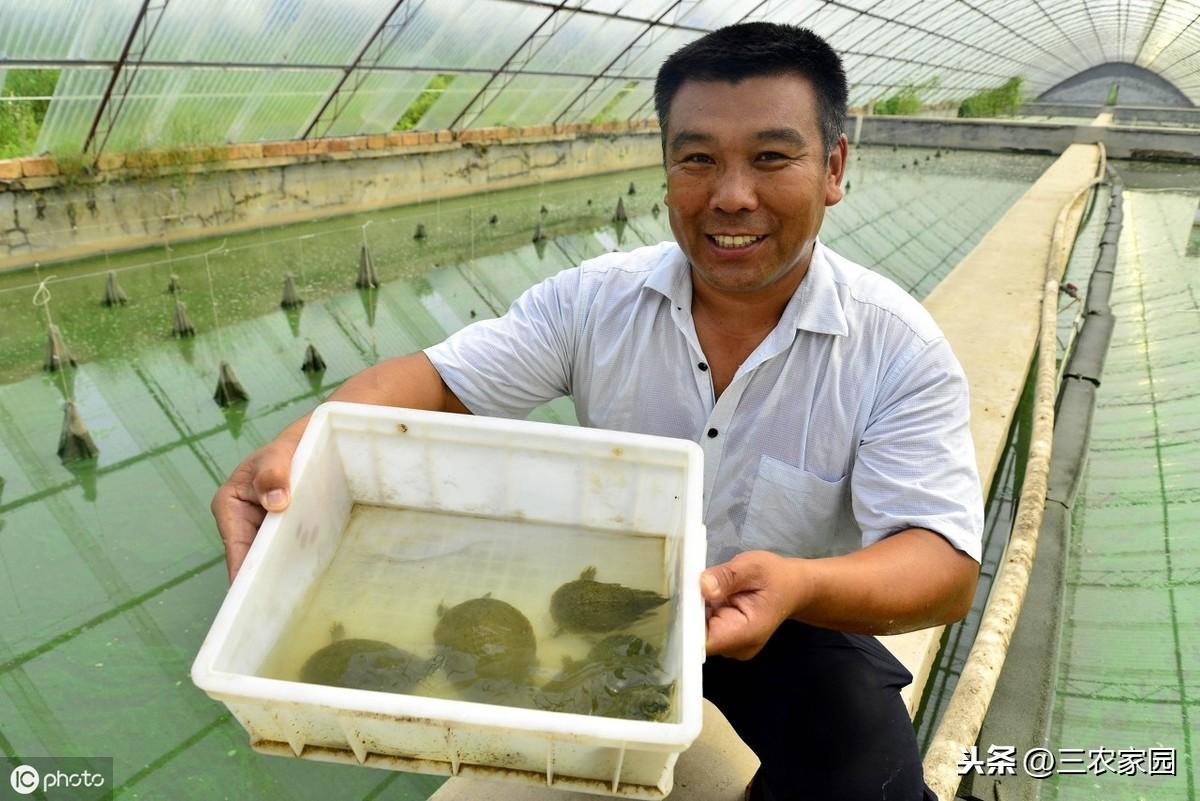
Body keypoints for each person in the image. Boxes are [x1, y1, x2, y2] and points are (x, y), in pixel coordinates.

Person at [212, 22, 982, 801]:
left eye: (772, 156)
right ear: (667, 168)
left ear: (834, 168)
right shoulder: (592, 301)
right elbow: (437, 382)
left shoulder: (895, 347)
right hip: (606, 606)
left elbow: (942, 565)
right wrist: (302, 444)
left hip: (788, 615)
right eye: (698, 158)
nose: (731, 195)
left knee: (870, 780)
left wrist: (798, 584)